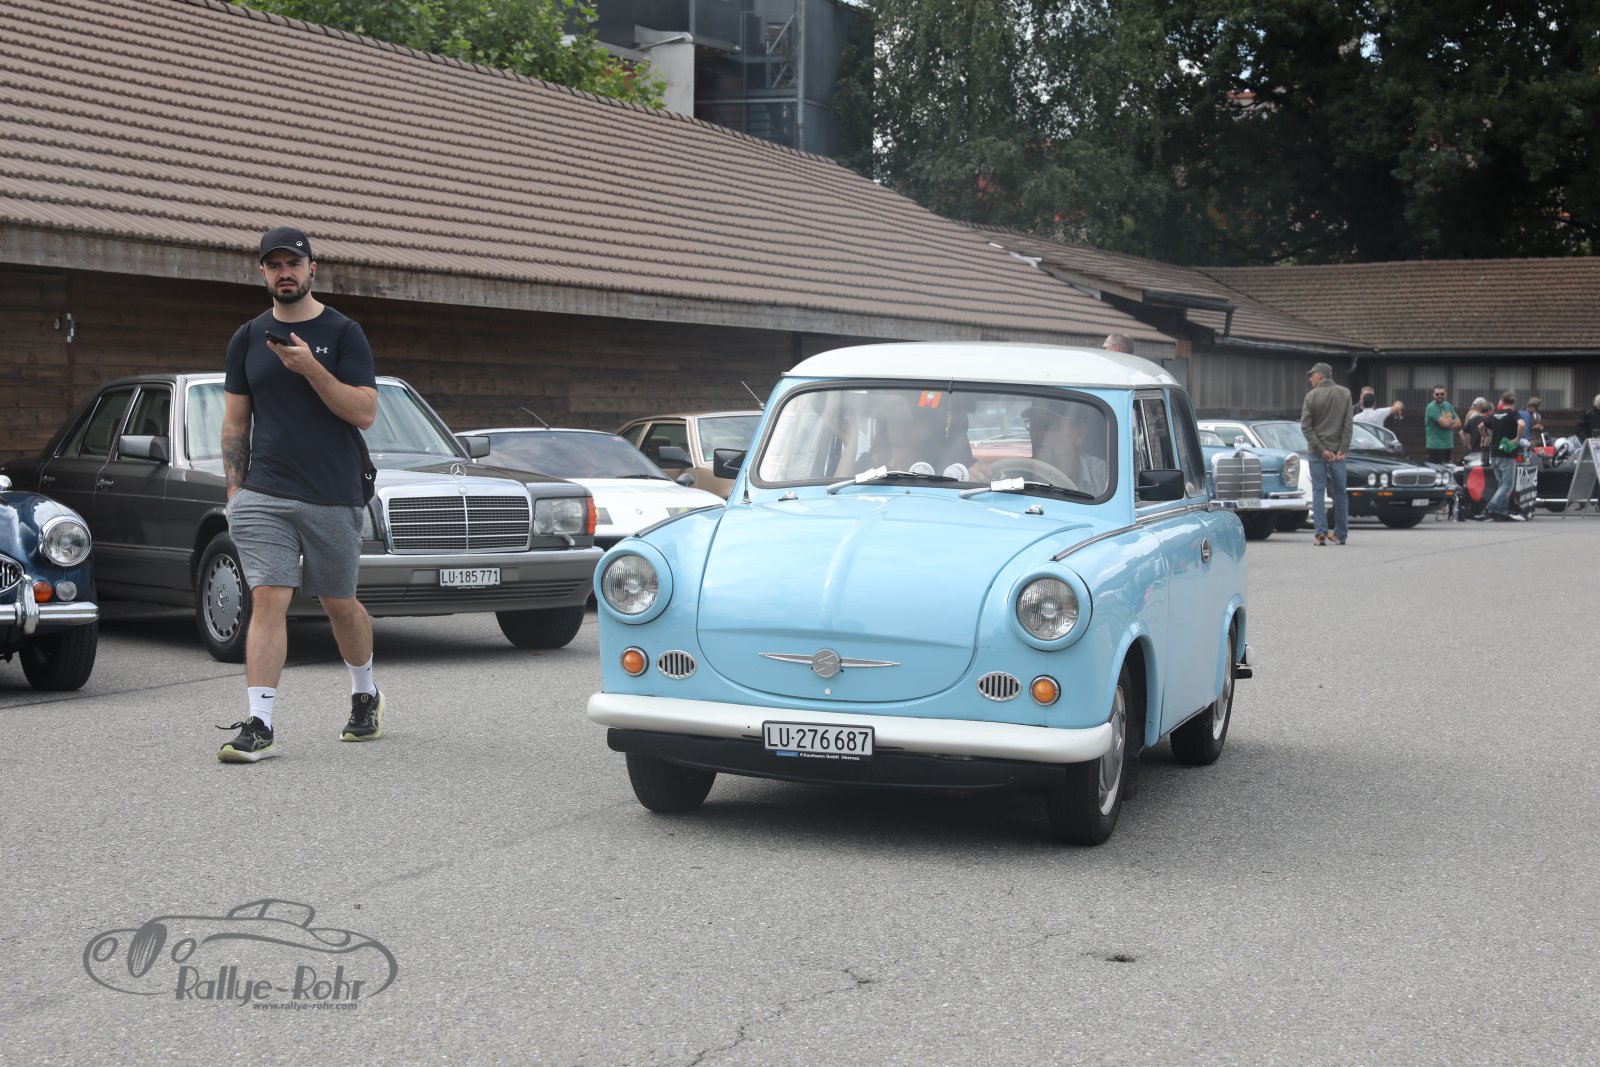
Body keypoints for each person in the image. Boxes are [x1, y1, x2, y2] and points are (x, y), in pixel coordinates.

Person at [216, 226, 384, 762]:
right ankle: (259, 724)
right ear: (262, 273)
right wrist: (236, 490)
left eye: (294, 263)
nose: (284, 272)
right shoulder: (247, 337)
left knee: (340, 603)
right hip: (264, 492)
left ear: (312, 269)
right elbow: (235, 422)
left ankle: (365, 692)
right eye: (275, 265)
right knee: (269, 596)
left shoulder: (344, 333)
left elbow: (364, 412)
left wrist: (311, 367)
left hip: (333, 493)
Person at [1301, 362, 1352, 545]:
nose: (1310, 379)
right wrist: (1342, 449)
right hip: (1338, 452)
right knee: (1341, 493)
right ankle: (1340, 533)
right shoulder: (1345, 393)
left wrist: (1321, 449)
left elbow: (1306, 426)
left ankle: (1320, 533)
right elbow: (1348, 424)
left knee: (1318, 491)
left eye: (1312, 375)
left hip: (1317, 452)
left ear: (1320, 376)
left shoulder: (1312, 396)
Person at [1020, 403, 1109, 495]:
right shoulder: (1017, 474)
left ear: (1080, 433)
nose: (1038, 433)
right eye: (1034, 423)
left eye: (1050, 424)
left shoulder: (1106, 478)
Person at [1484, 390, 1527, 522]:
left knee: (1501, 484)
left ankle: (1501, 510)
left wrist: (1485, 436)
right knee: (1507, 485)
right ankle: (1491, 506)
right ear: (1514, 401)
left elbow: (1481, 425)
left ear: (1502, 401)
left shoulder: (1495, 414)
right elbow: (1521, 424)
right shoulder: (1513, 414)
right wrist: (1517, 439)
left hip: (1494, 453)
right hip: (1507, 454)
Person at [1424, 386, 1461, 463]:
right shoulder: (1431, 407)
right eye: (1437, 394)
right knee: (1435, 469)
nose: (1440, 396)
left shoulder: (1448, 405)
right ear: (1433, 395)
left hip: (1448, 445)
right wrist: (1451, 421)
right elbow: (1444, 424)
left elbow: (1459, 423)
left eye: (1442, 394)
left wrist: (1448, 422)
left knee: (1447, 468)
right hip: (1435, 446)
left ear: (1445, 394)